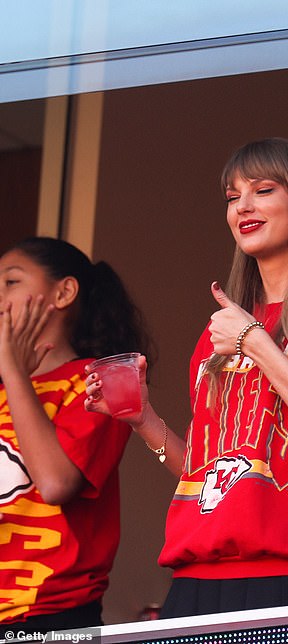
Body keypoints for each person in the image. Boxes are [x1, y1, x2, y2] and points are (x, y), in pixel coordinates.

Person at [86, 137, 288, 616]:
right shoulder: (224, 326)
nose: (243, 207)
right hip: (195, 578)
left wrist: (256, 342)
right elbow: (211, 470)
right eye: (232, 197)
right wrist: (142, 417)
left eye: (263, 190)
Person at [0, 237, 150, 635]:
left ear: (64, 292)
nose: (0, 295)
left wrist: (14, 372)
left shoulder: (104, 380)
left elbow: (55, 483)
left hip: (51, 617)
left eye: (11, 282)